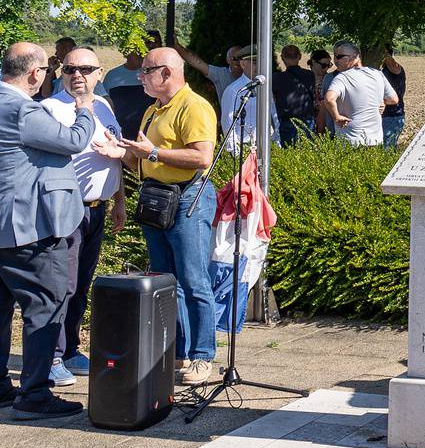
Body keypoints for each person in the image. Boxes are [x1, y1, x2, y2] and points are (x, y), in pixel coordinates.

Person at [0, 43, 100, 421]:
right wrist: (85, 109)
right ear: (35, 73)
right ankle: (34, 393)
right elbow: (73, 140)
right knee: (45, 305)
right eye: (48, 69)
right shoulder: (20, 108)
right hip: (27, 227)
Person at [120, 47, 221, 385]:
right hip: (158, 199)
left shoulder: (194, 107)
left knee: (194, 281)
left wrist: (152, 151)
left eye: (146, 71)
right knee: (166, 281)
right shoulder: (154, 108)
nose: (140, 77)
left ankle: (202, 356)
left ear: (166, 73)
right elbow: (143, 159)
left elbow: (202, 157)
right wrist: (121, 153)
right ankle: (177, 352)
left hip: (188, 198)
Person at [44, 47, 127, 382]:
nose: (77, 74)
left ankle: (71, 349)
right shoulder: (50, 109)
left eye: (85, 68)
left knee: (81, 285)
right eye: (70, 68)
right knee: (61, 285)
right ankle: (50, 357)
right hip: (68, 209)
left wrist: (118, 199)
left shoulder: (105, 106)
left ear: (100, 73)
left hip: (98, 208)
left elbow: (115, 154)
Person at [322, 42, 398, 146]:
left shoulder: (342, 77)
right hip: (374, 140)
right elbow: (393, 99)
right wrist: (382, 102)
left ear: (353, 57)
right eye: (335, 56)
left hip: (350, 141)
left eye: (339, 56)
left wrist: (336, 117)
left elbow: (329, 99)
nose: (335, 60)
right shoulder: (377, 74)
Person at [219, 46, 279, 157]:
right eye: (255, 62)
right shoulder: (234, 90)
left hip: (267, 147)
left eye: (262, 62)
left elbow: (274, 118)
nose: (260, 66)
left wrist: (277, 142)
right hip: (245, 148)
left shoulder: (266, 88)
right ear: (243, 64)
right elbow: (228, 123)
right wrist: (235, 154)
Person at [273, 45, 319, 144]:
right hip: (307, 122)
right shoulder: (309, 75)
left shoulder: (276, 78)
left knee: (289, 155)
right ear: (300, 56)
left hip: (287, 122)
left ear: (282, 57)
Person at [381, 54, 409, 143]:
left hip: (392, 115)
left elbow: (394, 67)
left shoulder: (396, 69)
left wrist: (383, 52)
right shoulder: (382, 71)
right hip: (385, 115)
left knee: (387, 148)